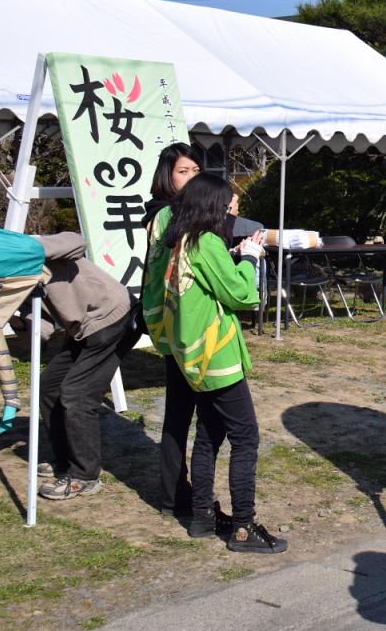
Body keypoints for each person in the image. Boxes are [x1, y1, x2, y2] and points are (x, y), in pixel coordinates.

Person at [158, 173, 285, 554]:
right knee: (246, 438)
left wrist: (233, 257)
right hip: (217, 358)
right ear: (213, 206)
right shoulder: (207, 242)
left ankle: (201, 516)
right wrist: (248, 259)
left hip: (193, 357)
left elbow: (209, 283)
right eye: (231, 204)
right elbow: (242, 294)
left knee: (210, 435)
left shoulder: (182, 241)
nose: (235, 210)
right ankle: (243, 526)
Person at [34, 232, 139, 499]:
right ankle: (66, 461)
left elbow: (77, 241)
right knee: (48, 387)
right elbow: (41, 316)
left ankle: (85, 476)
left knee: (77, 395)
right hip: (82, 328)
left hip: (112, 318)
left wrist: (30, 247)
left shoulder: (35, 247)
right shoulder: (8, 273)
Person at [142, 143, 215, 520]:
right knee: (189, 414)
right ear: (166, 175)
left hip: (173, 325)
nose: (191, 178)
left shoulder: (166, 213)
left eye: (196, 171)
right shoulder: (171, 214)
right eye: (183, 171)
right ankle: (182, 497)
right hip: (183, 326)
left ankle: (176, 493)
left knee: (180, 412)